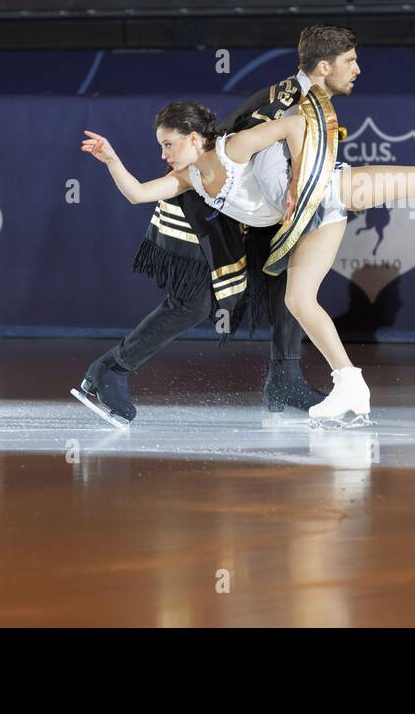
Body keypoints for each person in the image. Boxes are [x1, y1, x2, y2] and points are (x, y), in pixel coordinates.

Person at [81, 90, 415, 427]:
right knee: (298, 298)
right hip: (312, 222)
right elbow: (138, 195)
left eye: (169, 144)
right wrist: (110, 161)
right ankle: (347, 385)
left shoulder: (233, 147)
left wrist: (298, 183)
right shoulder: (189, 179)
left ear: (194, 138)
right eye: (161, 147)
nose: (164, 154)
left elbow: (295, 122)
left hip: (335, 189)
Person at [71, 26, 360, 428]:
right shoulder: (286, 101)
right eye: (350, 61)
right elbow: (228, 153)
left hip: (242, 211)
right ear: (324, 67)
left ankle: (286, 377)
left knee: (287, 275)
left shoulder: (311, 103)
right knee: (193, 303)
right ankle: (110, 370)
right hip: (200, 206)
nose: (357, 70)